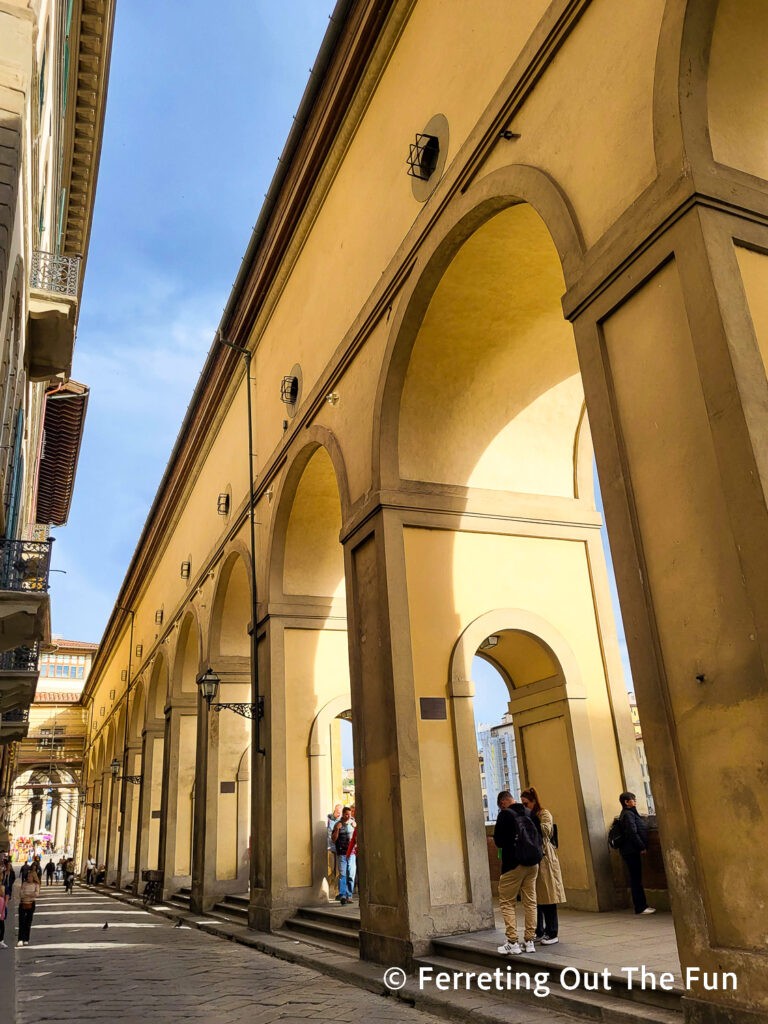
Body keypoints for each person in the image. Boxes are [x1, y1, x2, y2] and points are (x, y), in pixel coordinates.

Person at [493, 790, 543, 955]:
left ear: (502, 803)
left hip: (513, 864)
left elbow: (499, 841)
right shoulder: (530, 813)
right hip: (533, 863)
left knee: (507, 902)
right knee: (530, 902)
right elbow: (540, 838)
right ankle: (529, 941)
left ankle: (512, 942)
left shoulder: (505, 815)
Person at [521, 787, 565, 944]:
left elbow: (546, 831)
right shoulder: (527, 815)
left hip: (545, 858)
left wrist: (531, 819)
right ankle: (539, 930)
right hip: (534, 858)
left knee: (548, 897)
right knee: (535, 898)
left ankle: (552, 932)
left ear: (533, 802)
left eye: (526, 803)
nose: (525, 806)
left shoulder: (543, 813)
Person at [617, 791, 656, 915]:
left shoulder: (628, 813)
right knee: (636, 879)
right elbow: (632, 832)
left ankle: (641, 905)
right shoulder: (628, 815)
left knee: (636, 878)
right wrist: (641, 847)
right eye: (633, 800)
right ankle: (640, 906)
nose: (635, 802)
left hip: (630, 850)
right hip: (631, 851)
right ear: (626, 802)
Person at [331, 806, 356, 905]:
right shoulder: (338, 824)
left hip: (352, 853)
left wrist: (356, 827)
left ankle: (349, 895)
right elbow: (333, 839)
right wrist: (337, 829)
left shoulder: (353, 824)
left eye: (349, 814)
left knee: (351, 874)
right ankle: (342, 895)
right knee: (343, 874)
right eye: (346, 814)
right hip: (341, 853)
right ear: (343, 814)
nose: (348, 816)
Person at [17, 864, 40, 946]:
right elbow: (20, 894)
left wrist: (27, 894)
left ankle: (26, 938)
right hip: (23, 904)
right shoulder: (24, 884)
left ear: (33, 878)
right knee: (21, 922)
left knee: (28, 922)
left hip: (31, 904)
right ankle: (20, 939)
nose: (28, 878)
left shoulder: (36, 885)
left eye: (30, 877)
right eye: (28, 876)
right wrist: (30, 894)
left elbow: (36, 894)